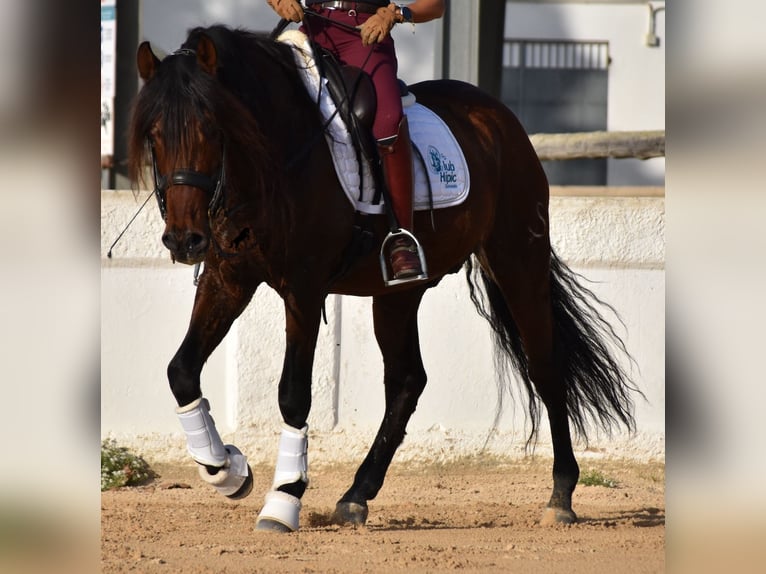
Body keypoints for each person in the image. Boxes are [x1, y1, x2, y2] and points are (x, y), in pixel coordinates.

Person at [266, 0, 446, 283]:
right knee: (265, 102)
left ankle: (400, 237)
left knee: (388, 118)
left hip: (366, 34)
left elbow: (436, 5)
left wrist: (397, 14)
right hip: (312, 30)